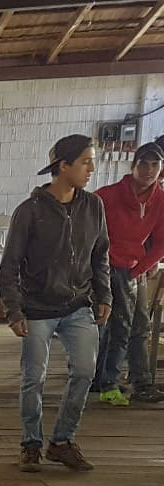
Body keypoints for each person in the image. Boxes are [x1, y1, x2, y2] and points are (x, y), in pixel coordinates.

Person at [0, 134, 111, 472]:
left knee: (85, 371)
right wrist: (13, 310)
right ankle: (31, 444)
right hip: (37, 308)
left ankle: (62, 441)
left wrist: (104, 295)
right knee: (34, 377)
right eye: (85, 162)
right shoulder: (29, 212)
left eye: (92, 162)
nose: (91, 169)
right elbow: (10, 265)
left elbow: (100, 255)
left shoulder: (93, 206)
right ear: (63, 166)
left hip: (78, 305)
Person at [91, 141, 164, 405]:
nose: (149, 170)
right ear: (133, 166)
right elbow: (87, 230)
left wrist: (141, 267)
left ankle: (137, 381)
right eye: (143, 164)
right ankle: (102, 379)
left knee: (138, 324)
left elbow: (161, 241)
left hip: (134, 268)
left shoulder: (160, 200)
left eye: (155, 164)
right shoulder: (106, 196)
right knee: (109, 325)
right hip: (104, 267)